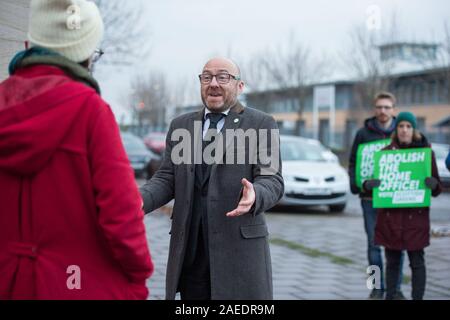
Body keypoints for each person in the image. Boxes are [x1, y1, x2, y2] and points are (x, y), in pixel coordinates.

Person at [0, 0, 153, 299]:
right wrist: (139, 276)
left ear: (29, 43)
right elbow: (122, 217)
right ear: (87, 54)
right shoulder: (91, 112)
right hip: (74, 284)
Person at [140, 57, 284, 300]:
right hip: (191, 254)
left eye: (223, 77)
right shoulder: (180, 125)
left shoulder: (260, 123)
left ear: (239, 86)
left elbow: (272, 180)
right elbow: (166, 178)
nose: (214, 83)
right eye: (207, 77)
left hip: (239, 254)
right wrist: (136, 200)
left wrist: (255, 194)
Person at [366, 112, 442, 300]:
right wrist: (369, 185)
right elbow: (374, 184)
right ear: (396, 129)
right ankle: (389, 295)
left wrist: (434, 185)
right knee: (392, 262)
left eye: (408, 126)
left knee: (417, 262)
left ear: (414, 130)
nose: (404, 130)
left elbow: (437, 188)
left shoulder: (425, 154)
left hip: (415, 219)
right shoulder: (384, 154)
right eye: (401, 126)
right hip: (391, 219)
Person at [348, 92, 405, 299]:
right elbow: (354, 162)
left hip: (396, 199)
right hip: (370, 199)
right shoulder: (363, 133)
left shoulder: (403, 132)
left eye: (387, 107)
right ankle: (376, 287)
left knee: (397, 244)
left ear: (394, 109)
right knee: (373, 245)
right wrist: (359, 184)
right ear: (374, 109)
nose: (383, 111)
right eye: (379, 107)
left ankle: (396, 288)